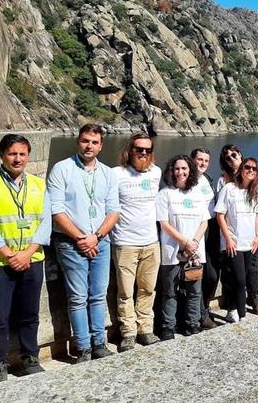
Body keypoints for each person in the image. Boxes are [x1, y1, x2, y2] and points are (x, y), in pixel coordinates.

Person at [0, 134, 51, 383]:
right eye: (12, 154)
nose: (18, 159)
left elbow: (45, 222)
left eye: (22, 154)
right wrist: (9, 255)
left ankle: (30, 358)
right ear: (2, 155)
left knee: (30, 314)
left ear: (28, 156)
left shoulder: (39, 185)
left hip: (32, 259)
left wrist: (27, 253)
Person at [48, 124, 119, 362]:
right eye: (85, 141)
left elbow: (113, 212)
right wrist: (80, 238)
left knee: (98, 295)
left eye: (94, 142)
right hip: (70, 243)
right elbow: (56, 210)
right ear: (78, 142)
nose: (89, 146)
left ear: (101, 145)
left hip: (100, 241)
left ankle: (99, 343)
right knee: (77, 297)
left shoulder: (108, 174)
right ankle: (83, 347)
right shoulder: (62, 169)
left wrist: (96, 237)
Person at [111, 133, 161, 352]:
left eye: (147, 150)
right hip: (125, 243)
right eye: (139, 149)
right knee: (125, 292)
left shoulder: (156, 173)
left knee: (148, 289)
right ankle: (128, 333)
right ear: (130, 150)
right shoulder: (116, 174)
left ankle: (145, 329)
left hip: (151, 242)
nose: (143, 153)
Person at [156, 155, 210, 339]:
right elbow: (164, 223)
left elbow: (204, 221)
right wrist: (184, 242)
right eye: (177, 169)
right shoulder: (165, 193)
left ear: (190, 171)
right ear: (171, 171)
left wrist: (193, 242)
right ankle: (168, 327)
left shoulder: (196, 192)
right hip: (172, 251)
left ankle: (192, 324)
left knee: (195, 291)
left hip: (195, 251)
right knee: (170, 291)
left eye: (184, 169)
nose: (180, 172)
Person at [216, 145, 258, 315]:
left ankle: (247, 305)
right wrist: (228, 239)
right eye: (247, 167)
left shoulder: (253, 189)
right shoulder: (226, 185)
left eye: (253, 168)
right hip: (232, 240)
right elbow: (220, 215)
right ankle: (236, 309)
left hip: (251, 239)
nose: (250, 170)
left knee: (250, 273)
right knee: (236, 277)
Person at [190, 148, 218, 329]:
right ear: (192, 160)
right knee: (196, 274)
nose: (202, 163)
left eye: (206, 161)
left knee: (213, 275)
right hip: (195, 231)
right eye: (199, 159)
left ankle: (205, 308)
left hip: (211, 228)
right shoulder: (186, 180)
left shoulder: (206, 179)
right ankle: (199, 314)